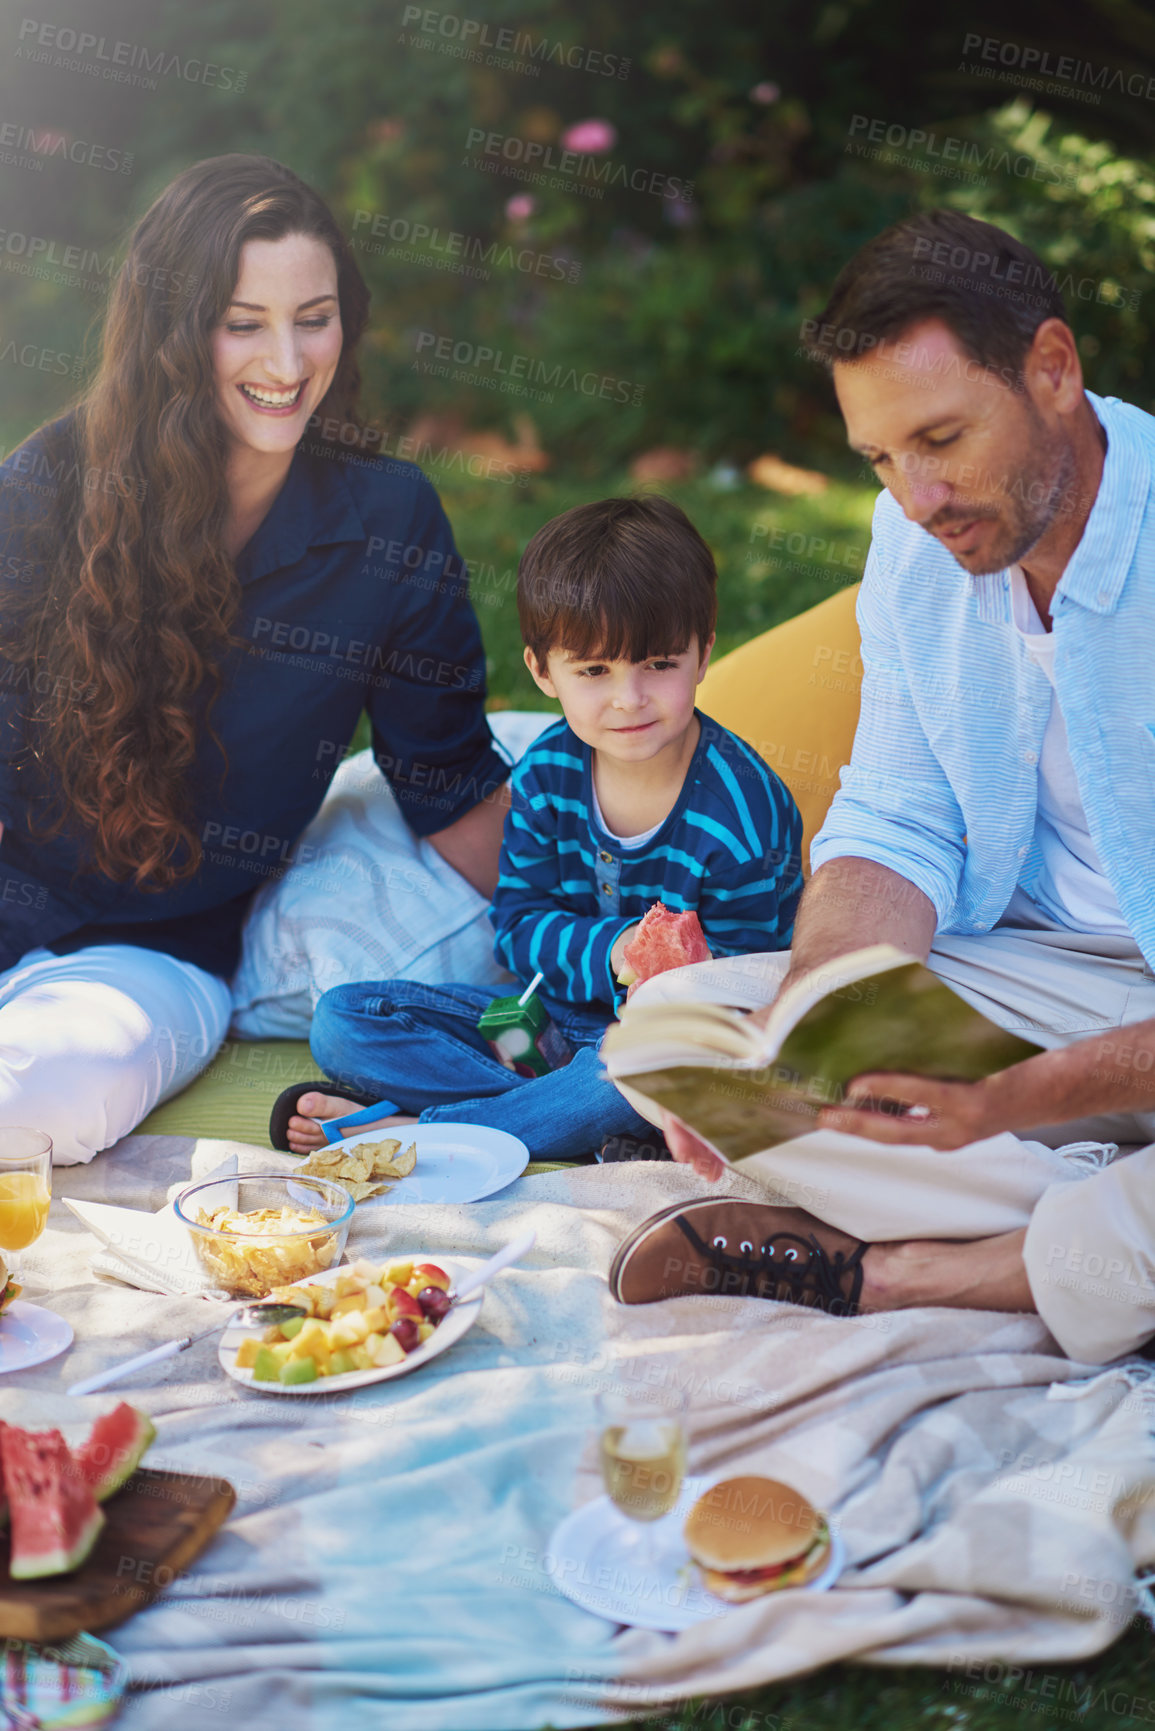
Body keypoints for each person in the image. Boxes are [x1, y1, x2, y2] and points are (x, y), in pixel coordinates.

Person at [608, 208, 1155, 1362]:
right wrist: (819, 1008)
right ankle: (1100, 1233)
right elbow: (896, 815)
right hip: (1041, 975)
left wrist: (1015, 1104)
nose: (916, 497)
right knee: (678, 1031)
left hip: (1106, 1042)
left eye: (943, 439)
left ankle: (925, 1270)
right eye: (881, 458)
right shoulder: (916, 547)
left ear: (1054, 371)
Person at [0, 154, 511, 1165]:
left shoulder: (387, 521)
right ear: (171, 333)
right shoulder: (48, 486)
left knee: (36, 1099)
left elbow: (447, 784)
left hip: (147, 960)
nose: (287, 361)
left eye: (312, 317)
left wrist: (612, 936)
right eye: (243, 322)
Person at [276, 495, 804, 1161]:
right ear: (541, 671)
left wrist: (656, 1006)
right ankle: (545, 1118)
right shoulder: (547, 772)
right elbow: (518, 924)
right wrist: (616, 950)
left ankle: (426, 1136)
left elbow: (747, 993)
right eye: (593, 670)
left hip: (677, 1045)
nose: (628, 697)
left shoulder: (740, 817)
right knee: (344, 1022)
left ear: (703, 653)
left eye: (659, 664)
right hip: (550, 1019)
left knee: (631, 1081)